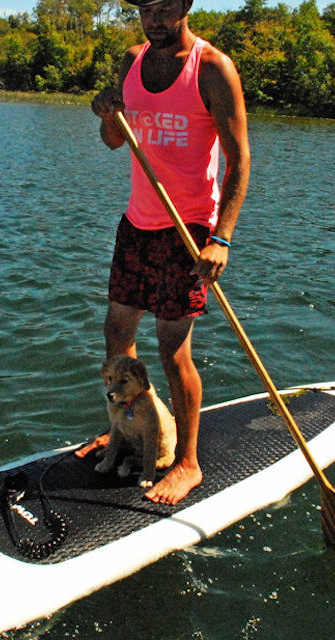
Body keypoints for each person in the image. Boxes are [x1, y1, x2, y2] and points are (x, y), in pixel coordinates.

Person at [91, 0, 250, 505]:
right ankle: (131, 426)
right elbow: (115, 141)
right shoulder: (132, 59)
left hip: (188, 230)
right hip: (137, 222)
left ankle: (187, 462)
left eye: (164, 8)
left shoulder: (212, 68)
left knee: (171, 349)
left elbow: (240, 158)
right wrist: (109, 114)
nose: (154, 20)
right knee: (117, 332)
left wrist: (220, 238)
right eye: (145, 9)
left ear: (185, 5)